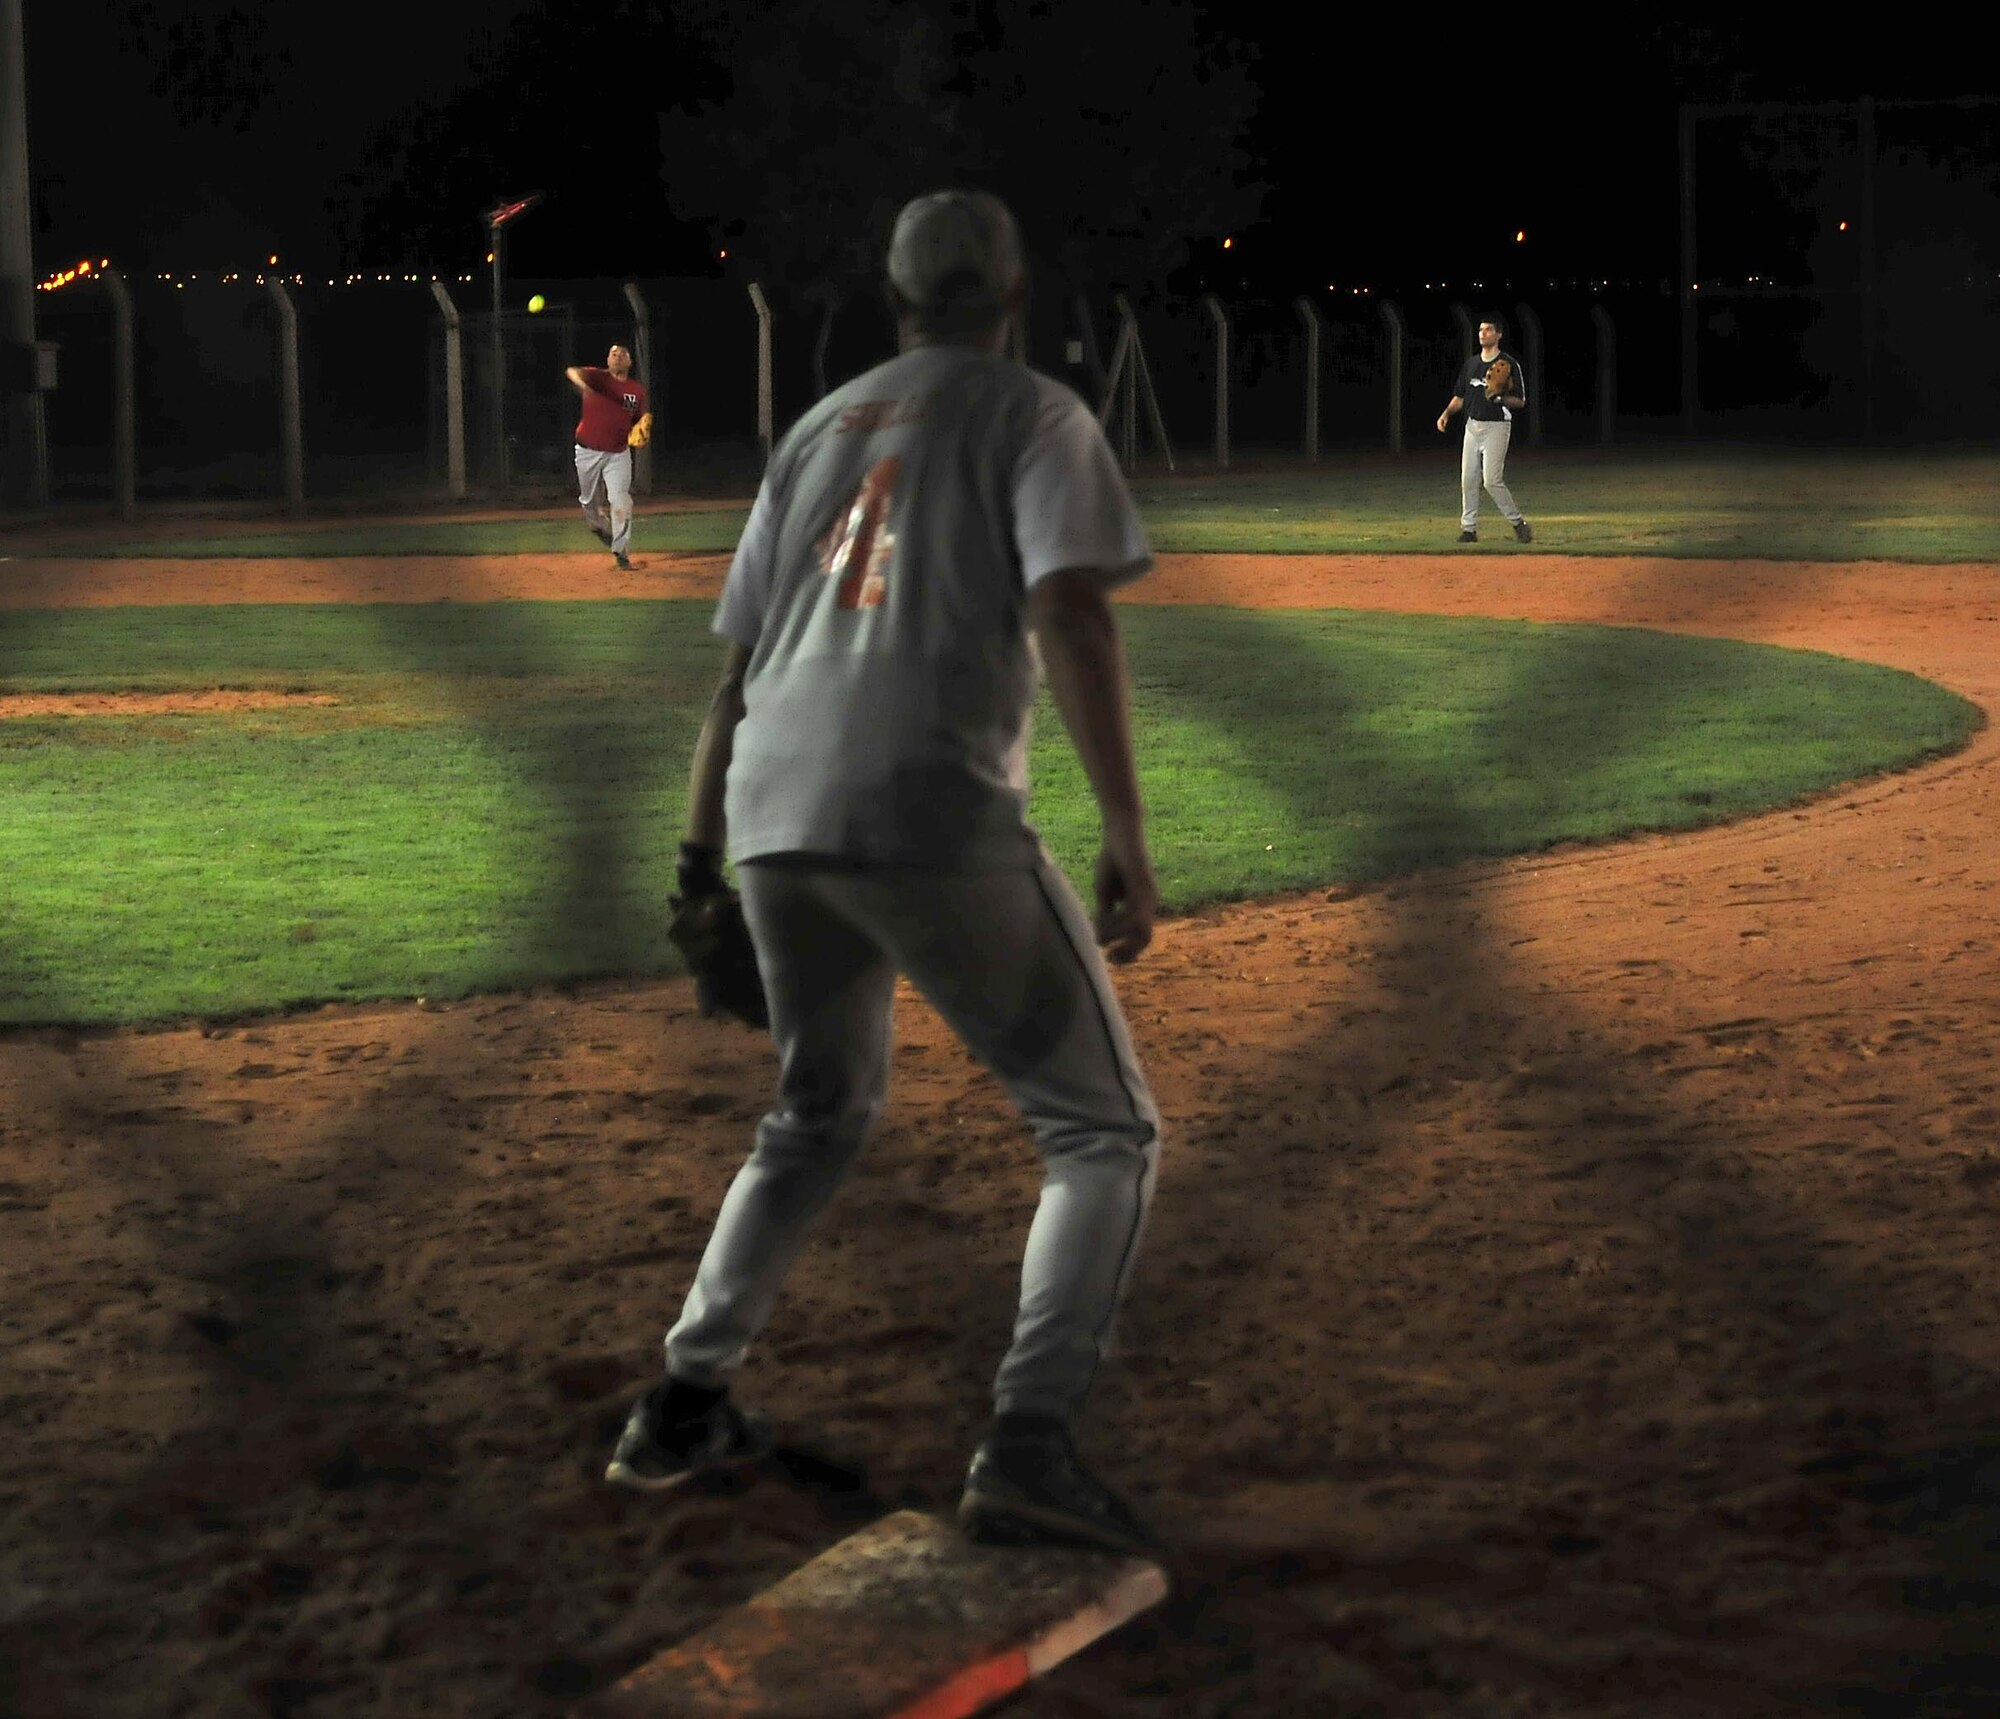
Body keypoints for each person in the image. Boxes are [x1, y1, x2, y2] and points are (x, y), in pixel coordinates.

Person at [604, 189, 1166, 1556]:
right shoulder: (1034, 413)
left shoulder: (817, 428)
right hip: (932, 805)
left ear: (894, 293)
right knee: (1103, 1131)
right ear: (1015, 288)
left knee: (815, 1110)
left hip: (772, 804)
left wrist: (695, 860)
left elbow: (734, 672)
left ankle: (682, 1401)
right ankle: (1029, 1440)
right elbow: (1069, 610)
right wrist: (1128, 831)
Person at [1436, 316, 1533, 544]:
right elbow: (1460, 397)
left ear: (1499, 335)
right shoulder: (1471, 365)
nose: (1483, 334)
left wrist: (1500, 397)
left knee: (1491, 480)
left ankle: (1518, 523)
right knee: (1468, 479)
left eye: (1488, 330)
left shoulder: (1508, 363)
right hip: (1472, 426)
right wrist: (1446, 414)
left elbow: (1520, 401)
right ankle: (1469, 529)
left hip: (1497, 426)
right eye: (1480, 330)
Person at [565, 343, 648, 570]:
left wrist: (640, 431)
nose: (618, 357)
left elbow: (637, 423)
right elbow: (571, 371)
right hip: (587, 451)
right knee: (589, 501)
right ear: (608, 360)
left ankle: (621, 552)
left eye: (623, 354)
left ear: (630, 363)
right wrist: (582, 382)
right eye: (614, 354)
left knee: (621, 499)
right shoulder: (597, 378)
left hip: (618, 454)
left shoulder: (637, 391)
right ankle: (597, 525)